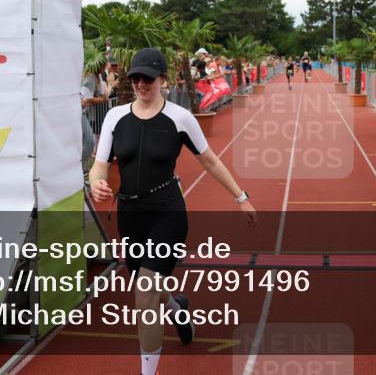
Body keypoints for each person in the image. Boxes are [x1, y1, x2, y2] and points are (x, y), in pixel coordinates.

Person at [88, 47, 256, 375]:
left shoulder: (180, 118)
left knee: (144, 293)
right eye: (135, 77)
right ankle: (177, 308)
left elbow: (209, 160)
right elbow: (99, 166)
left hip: (167, 212)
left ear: (163, 79)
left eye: (147, 78)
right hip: (130, 215)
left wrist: (241, 197)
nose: (140, 83)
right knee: (149, 288)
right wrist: (96, 182)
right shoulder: (114, 117)